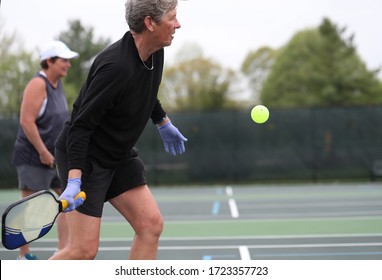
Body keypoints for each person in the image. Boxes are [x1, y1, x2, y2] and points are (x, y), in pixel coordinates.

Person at [50, 0, 187, 260]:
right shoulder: (115, 67)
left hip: (118, 155)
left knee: (150, 226)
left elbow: (144, 92)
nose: (178, 25)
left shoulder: (155, 51)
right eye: (172, 17)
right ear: (150, 23)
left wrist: (163, 122)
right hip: (86, 157)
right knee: (82, 251)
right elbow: (81, 126)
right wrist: (75, 178)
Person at [12, 41, 79, 260]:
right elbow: (26, 121)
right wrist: (42, 152)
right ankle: (24, 256)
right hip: (33, 157)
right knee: (29, 209)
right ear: (49, 61)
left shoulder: (57, 85)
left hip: (55, 159)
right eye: (64, 60)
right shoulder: (37, 84)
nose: (68, 65)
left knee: (65, 204)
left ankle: (62, 251)